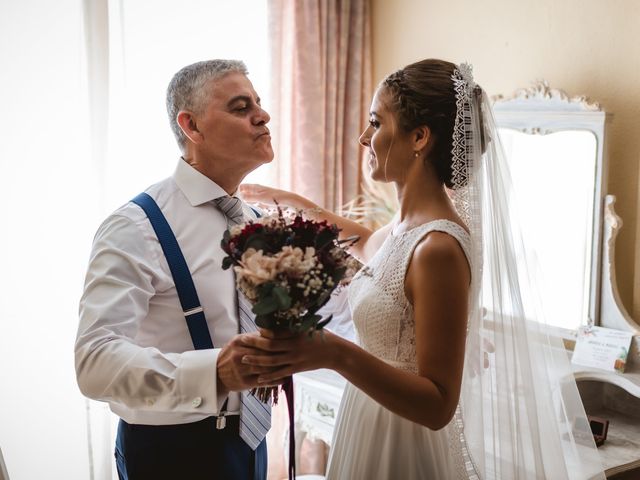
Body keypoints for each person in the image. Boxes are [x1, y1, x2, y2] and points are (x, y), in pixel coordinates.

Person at [239, 59, 606, 479]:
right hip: (368, 421)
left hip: (404, 443)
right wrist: (285, 199)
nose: (364, 138)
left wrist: (332, 352)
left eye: (376, 123)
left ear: (419, 137)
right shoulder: (402, 231)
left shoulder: (439, 248)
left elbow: (438, 405)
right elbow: (359, 240)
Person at [75, 59, 279, 480]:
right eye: (241, 107)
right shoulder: (136, 226)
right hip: (170, 454)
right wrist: (213, 373)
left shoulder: (258, 223)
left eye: (258, 103)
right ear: (192, 127)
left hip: (253, 445)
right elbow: (93, 361)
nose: (263, 115)